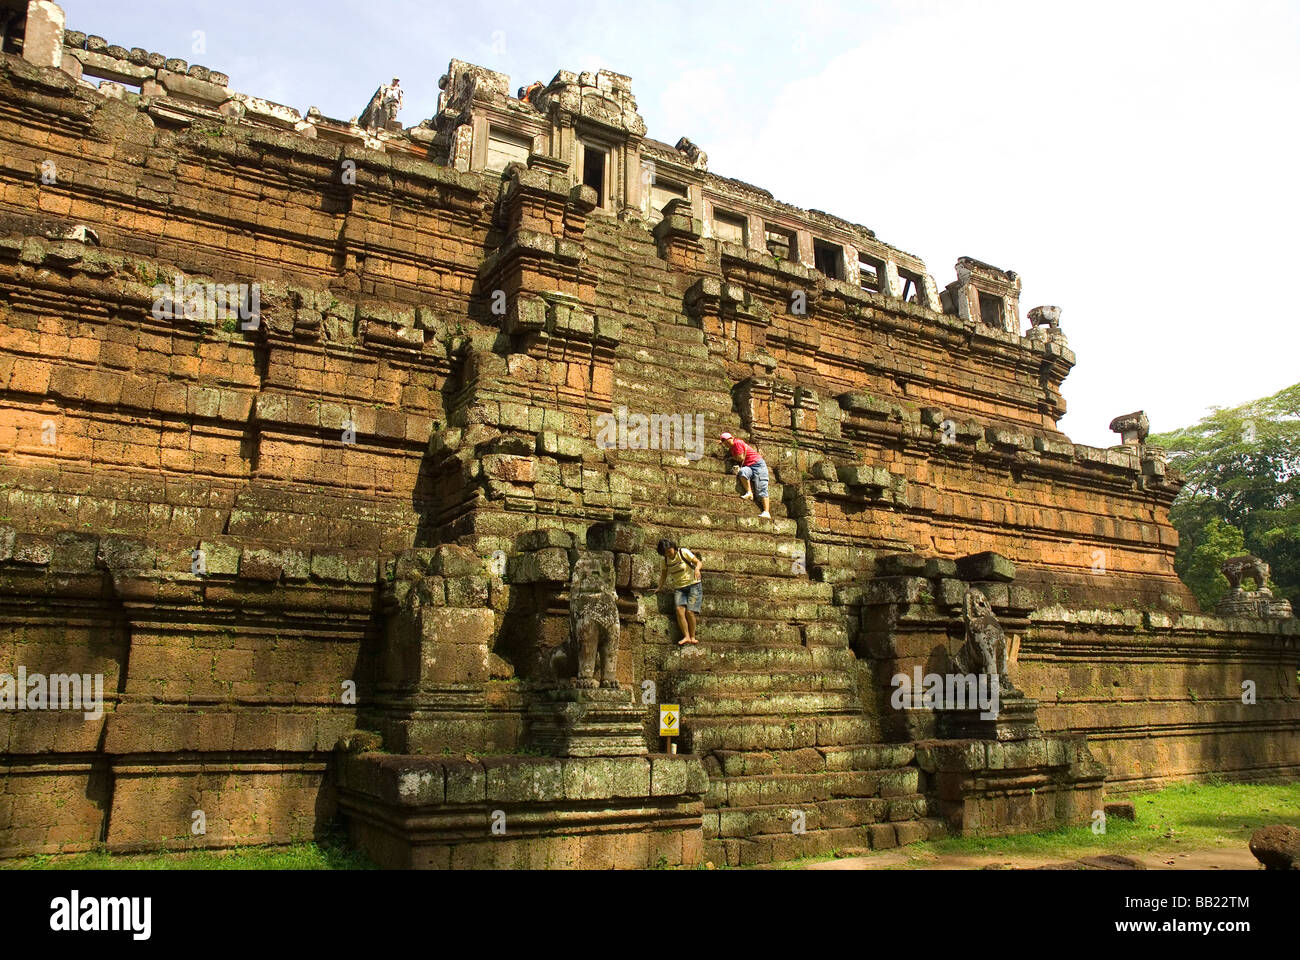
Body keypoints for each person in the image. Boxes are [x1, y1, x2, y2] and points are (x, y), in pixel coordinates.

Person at [656, 538, 703, 645]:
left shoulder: (683, 552)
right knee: (679, 610)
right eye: (665, 553)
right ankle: (686, 636)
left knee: (690, 612)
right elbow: (664, 574)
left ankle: (692, 636)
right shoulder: (665, 561)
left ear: (673, 547)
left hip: (693, 585)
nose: (668, 554)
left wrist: (697, 569)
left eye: (669, 551)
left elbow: (698, 562)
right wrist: (659, 587)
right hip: (679, 588)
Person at [718, 431, 770, 518]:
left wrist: (731, 457)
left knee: (761, 488)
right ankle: (749, 492)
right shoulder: (732, 445)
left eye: (727, 442)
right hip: (748, 465)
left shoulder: (737, 443)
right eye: (725, 443)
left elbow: (740, 457)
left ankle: (766, 511)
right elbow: (727, 443)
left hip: (758, 465)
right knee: (743, 472)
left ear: (732, 438)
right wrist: (722, 442)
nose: (726, 444)